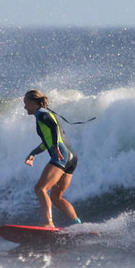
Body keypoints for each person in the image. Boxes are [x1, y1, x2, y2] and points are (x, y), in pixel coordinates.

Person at [22, 89, 82, 228]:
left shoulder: (42, 115)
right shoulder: (45, 114)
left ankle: (48, 223)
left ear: (33, 102)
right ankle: (77, 225)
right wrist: (33, 153)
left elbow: (54, 128)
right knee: (56, 197)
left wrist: (55, 147)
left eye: (25, 103)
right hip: (71, 158)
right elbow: (47, 141)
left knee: (40, 188)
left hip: (61, 155)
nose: (24, 107)